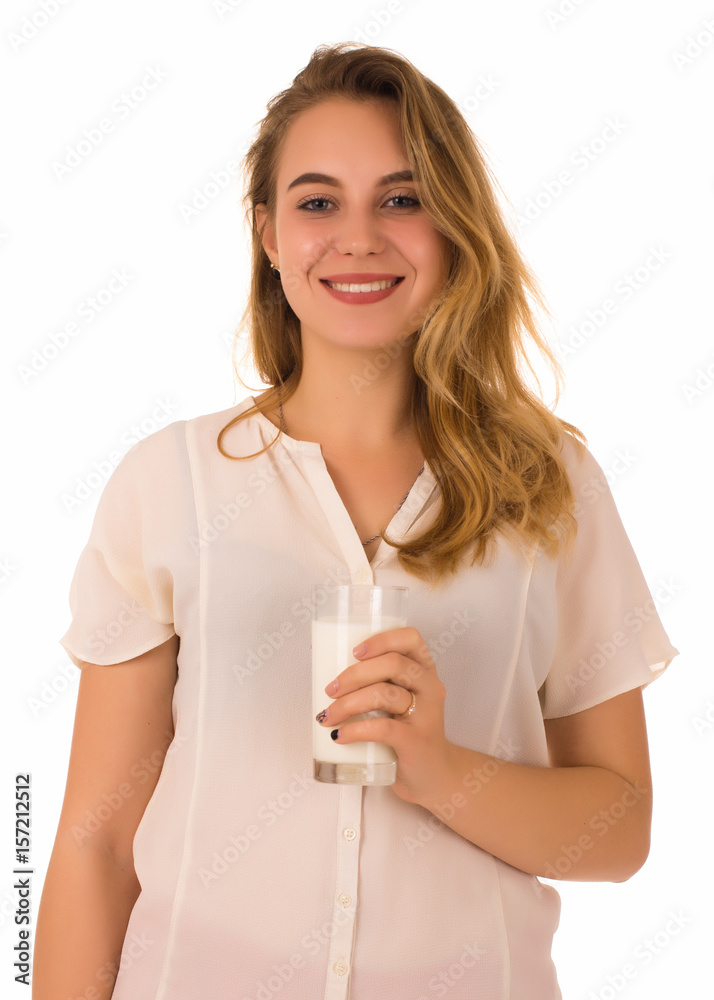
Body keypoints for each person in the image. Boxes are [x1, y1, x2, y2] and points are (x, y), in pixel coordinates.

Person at [33, 41, 679, 1000]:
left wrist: (439, 770)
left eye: (403, 198)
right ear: (268, 233)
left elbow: (618, 832)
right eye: (318, 201)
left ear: (454, 225)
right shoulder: (171, 483)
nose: (360, 237)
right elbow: (93, 841)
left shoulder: (552, 487)